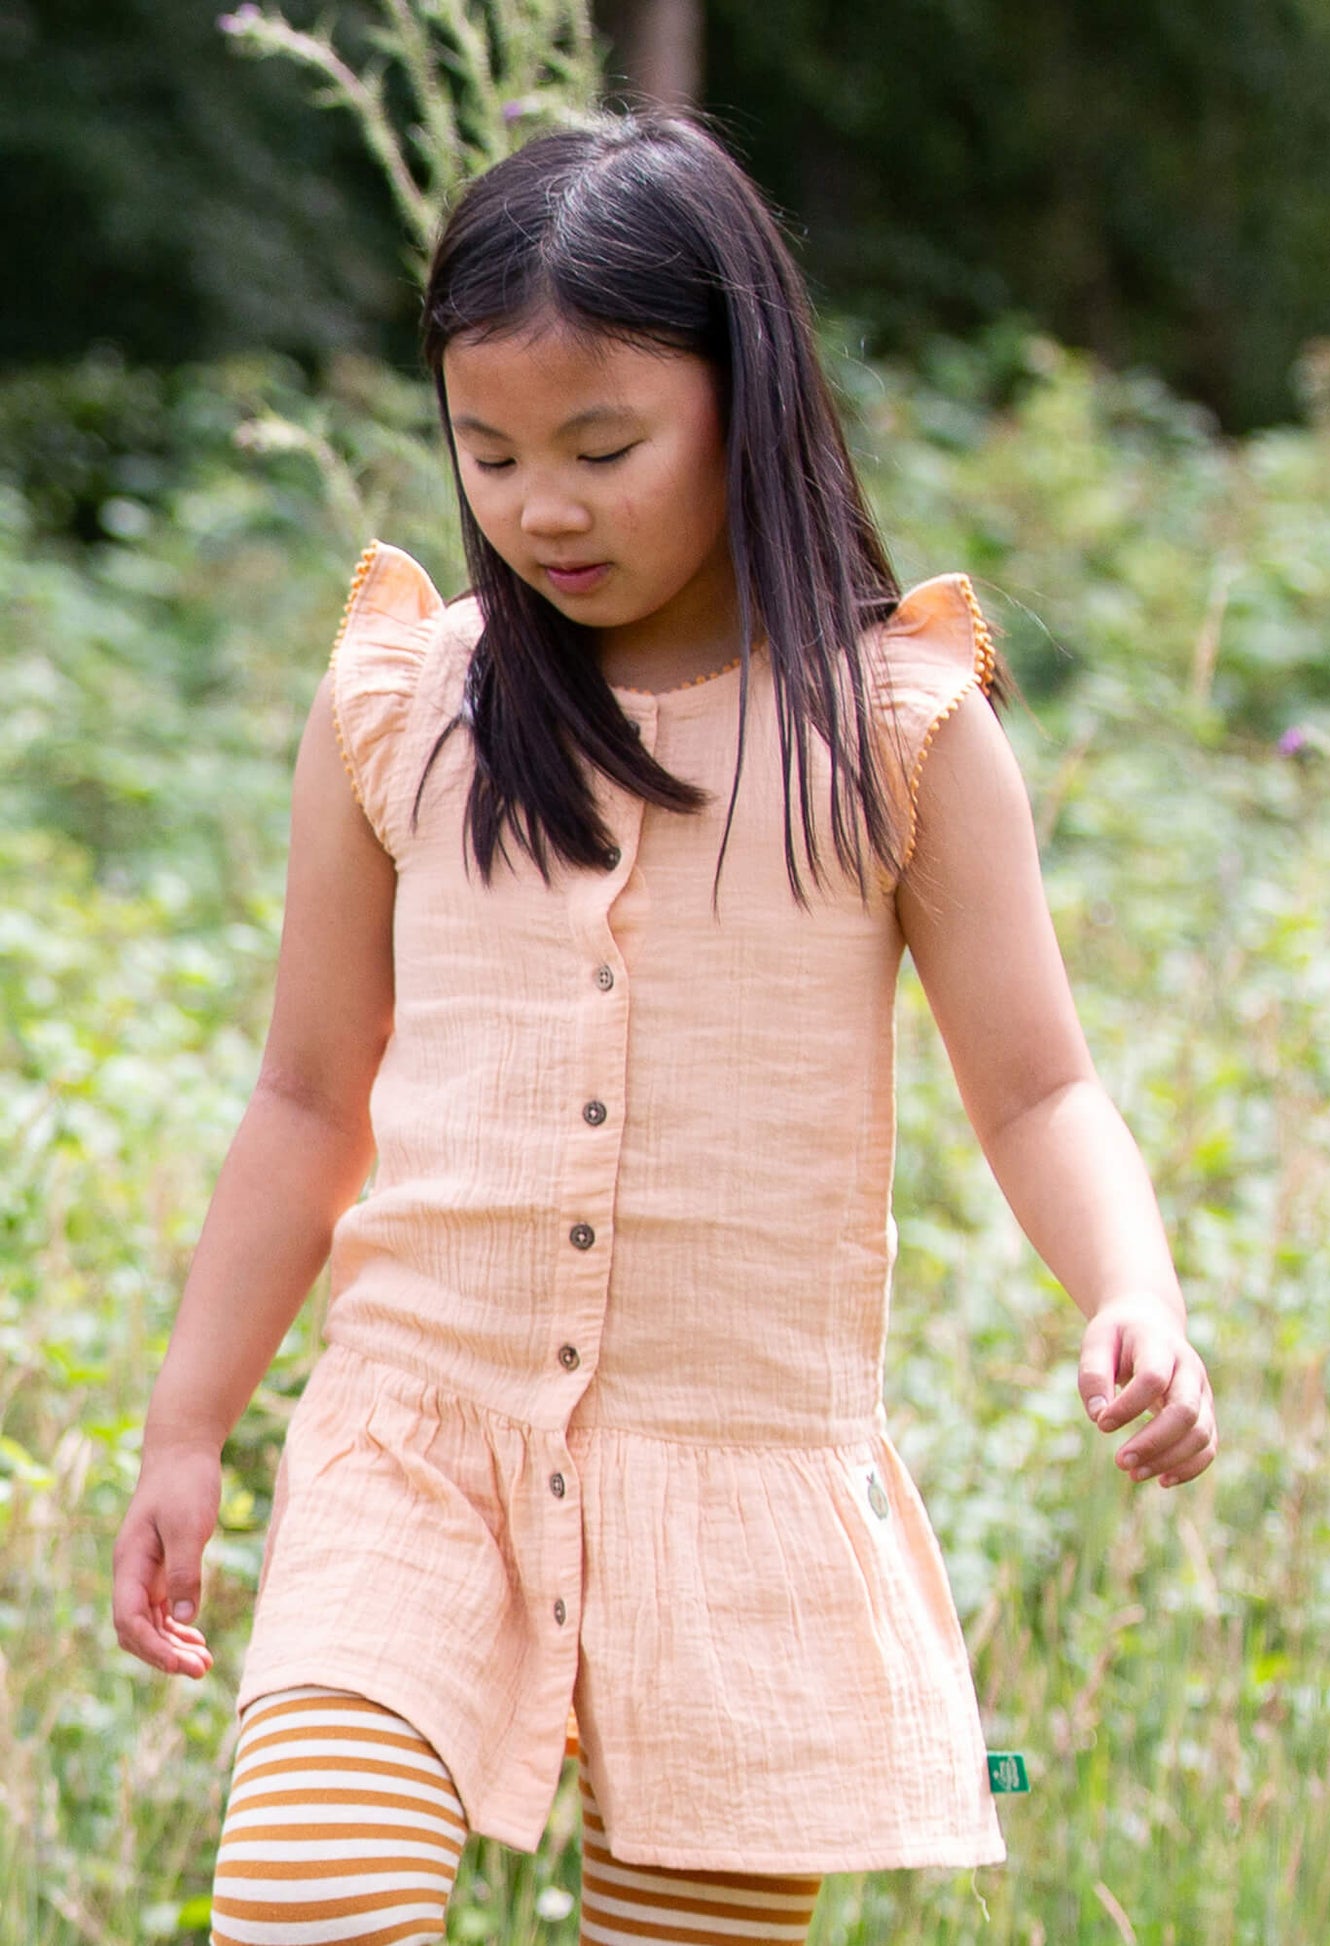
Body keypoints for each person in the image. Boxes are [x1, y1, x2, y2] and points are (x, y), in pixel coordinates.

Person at [111, 108, 1216, 1946]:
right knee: (301, 1908)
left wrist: (1137, 1290)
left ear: (743, 399)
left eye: (604, 445)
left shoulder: (891, 727)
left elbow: (1040, 1088)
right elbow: (310, 1095)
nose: (543, 503)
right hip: (415, 1446)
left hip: (737, 1487)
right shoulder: (408, 702)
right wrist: (185, 1423)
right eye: (491, 451)